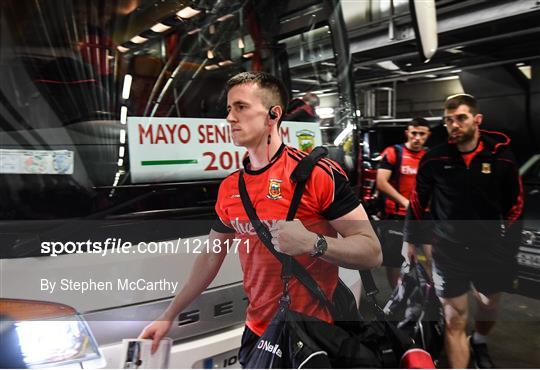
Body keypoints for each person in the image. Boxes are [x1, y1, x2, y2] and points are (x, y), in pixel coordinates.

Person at [139, 72, 382, 366]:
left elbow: (372, 252)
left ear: (273, 115)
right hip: (259, 332)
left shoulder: (317, 175)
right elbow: (210, 258)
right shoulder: (231, 187)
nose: (230, 118)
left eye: (240, 107)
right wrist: (168, 316)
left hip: (315, 333)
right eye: (228, 109)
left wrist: (313, 243)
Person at [403, 94, 523, 368]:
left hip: (490, 249)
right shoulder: (435, 159)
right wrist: (410, 239)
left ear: (477, 120)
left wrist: (509, 252)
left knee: (488, 305)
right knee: (454, 318)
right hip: (448, 250)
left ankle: (479, 341)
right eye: (448, 120)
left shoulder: (502, 158)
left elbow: (515, 207)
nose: (454, 125)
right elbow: (419, 201)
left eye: (461, 118)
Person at [376, 117, 432, 288]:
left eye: (422, 134)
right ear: (407, 133)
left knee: (433, 258)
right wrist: (406, 203)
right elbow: (381, 182)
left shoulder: (430, 156)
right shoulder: (394, 152)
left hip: (425, 217)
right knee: (395, 261)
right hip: (397, 216)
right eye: (414, 133)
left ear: (427, 135)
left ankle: (434, 298)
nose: (417, 138)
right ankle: (398, 298)